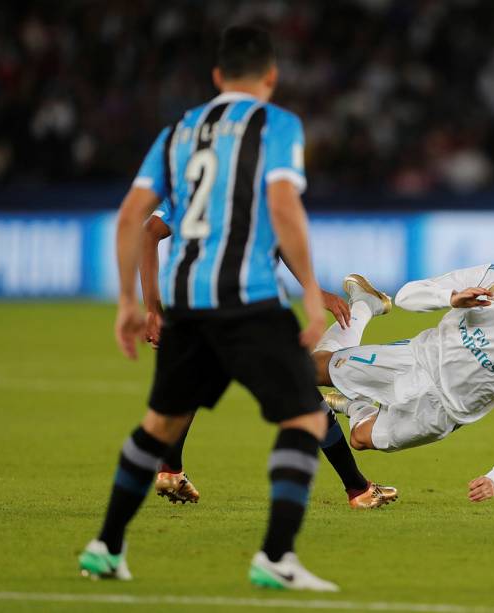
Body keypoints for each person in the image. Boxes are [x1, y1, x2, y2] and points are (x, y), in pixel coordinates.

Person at [78, 25, 338, 591]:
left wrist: (130, 301)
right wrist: (314, 294)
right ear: (270, 77)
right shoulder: (278, 124)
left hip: (186, 302)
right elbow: (283, 204)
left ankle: (107, 545)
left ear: (217, 77)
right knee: (305, 417)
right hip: (247, 298)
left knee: (159, 426)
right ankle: (275, 557)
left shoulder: (178, 131)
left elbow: (132, 218)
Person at [140, 200, 398, 509]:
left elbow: (150, 233)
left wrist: (153, 310)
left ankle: (170, 470)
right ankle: (359, 489)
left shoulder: (192, 178)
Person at [309, 238, 494, 501]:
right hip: (412, 359)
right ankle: (365, 305)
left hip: (441, 410)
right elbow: (407, 295)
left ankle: (351, 402)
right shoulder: (491, 278)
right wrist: (450, 298)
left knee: (360, 438)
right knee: (311, 369)